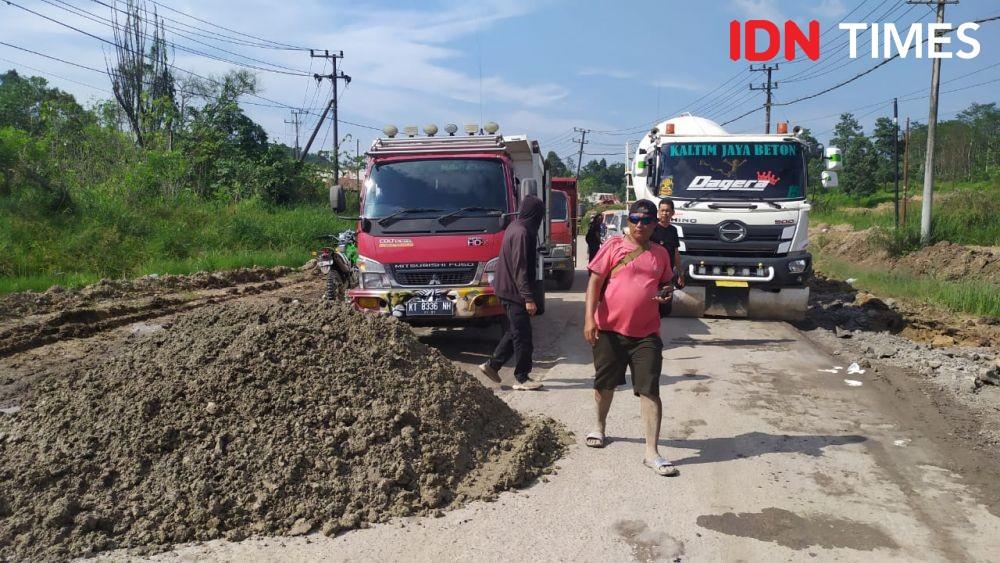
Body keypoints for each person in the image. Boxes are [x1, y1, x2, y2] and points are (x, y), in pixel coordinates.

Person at [582, 199, 679, 477]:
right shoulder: (613, 247)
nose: (640, 225)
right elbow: (594, 283)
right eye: (635, 219)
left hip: (647, 333)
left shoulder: (660, 253)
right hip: (610, 329)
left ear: (654, 224)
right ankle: (599, 426)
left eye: (646, 220)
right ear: (628, 221)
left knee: (650, 389)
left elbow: (666, 281)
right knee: (605, 382)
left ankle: (652, 452)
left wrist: (667, 291)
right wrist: (589, 319)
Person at [479, 195, 544, 391]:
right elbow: (521, 268)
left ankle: (492, 366)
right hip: (514, 290)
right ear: (535, 215)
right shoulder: (522, 233)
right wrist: (528, 298)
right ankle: (522, 378)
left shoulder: (514, 226)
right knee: (523, 336)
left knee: (515, 330)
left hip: (507, 288)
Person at [650, 199, 684, 318]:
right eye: (662, 210)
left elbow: (675, 253)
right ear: (658, 212)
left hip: (667, 275)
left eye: (668, 211)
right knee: (650, 305)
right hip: (652, 274)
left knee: (664, 310)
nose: (665, 213)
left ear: (673, 213)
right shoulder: (651, 229)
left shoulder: (673, 230)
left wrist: (680, 273)